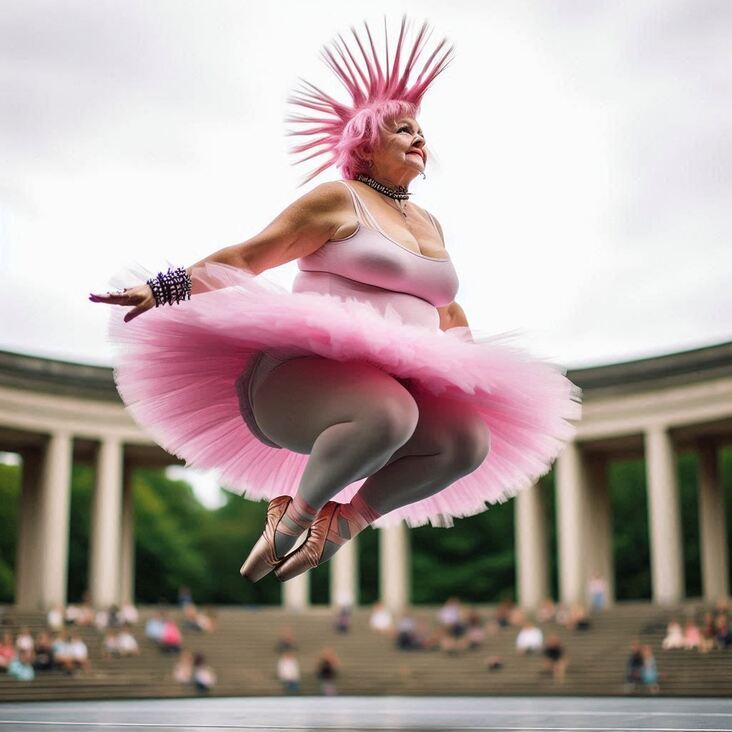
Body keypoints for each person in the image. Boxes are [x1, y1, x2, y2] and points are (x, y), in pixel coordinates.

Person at [90, 16, 581, 584]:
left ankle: (343, 524)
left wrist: (468, 370)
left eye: (420, 128)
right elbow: (250, 257)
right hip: (302, 380)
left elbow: (444, 309)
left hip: (392, 392)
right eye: (401, 129)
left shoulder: (429, 222)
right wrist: (164, 286)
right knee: (389, 415)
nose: (418, 137)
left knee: (467, 441)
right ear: (366, 147)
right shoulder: (337, 200)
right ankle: (290, 517)